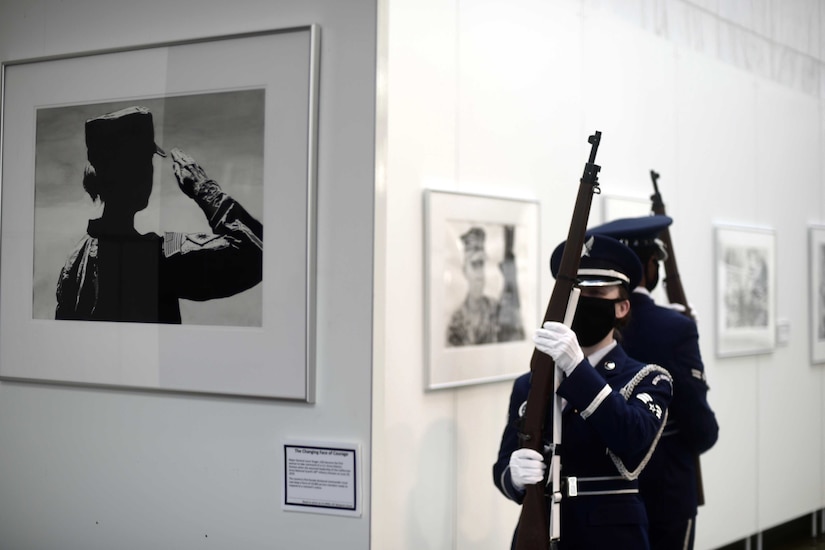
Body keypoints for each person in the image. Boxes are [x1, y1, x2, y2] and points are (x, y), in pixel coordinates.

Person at [493, 234, 674, 549]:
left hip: (611, 539)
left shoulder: (649, 379)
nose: (583, 304)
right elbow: (503, 467)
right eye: (575, 295)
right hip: (539, 535)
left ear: (622, 307)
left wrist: (578, 369)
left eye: (598, 293)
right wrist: (514, 476)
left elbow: (632, 441)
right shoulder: (530, 383)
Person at [55, 105, 264, 324]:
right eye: (147, 161)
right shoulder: (158, 257)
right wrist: (204, 189)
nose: (150, 171)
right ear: (137, 173)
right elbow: (255, 254)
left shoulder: (76, 257)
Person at [586, 215, 719, 550]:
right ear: (649, 266)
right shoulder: (675, 327)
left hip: (607, 495)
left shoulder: (589, 320)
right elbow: (699, 425)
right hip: (667, 485)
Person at [446, 225, 524, 346]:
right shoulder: (456, 322)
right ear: (464, 270)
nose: (480, 274)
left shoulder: (495, 309)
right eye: (474, 265)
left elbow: (516, 339)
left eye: (481, 264)